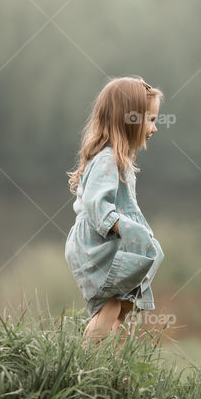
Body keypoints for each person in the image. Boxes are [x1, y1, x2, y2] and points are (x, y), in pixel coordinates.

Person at [64, 76, 165, 346]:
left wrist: (137, 235)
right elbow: (96, 205)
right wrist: (126, 228)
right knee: (110, 306)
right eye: (150, 120)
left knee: (124, 305)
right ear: (129, 119)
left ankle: (114, 362)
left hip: (108, 243)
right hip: (95, 245)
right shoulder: (107, 159)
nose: (155, 128)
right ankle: (84, 358)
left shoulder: (120, 160)